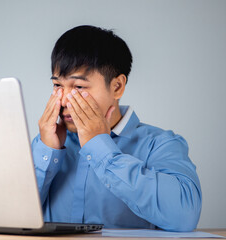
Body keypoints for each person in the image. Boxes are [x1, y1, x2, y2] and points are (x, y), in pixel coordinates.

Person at [31, 25, 202, 232]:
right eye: (58, 85)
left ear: (117, 86)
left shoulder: (160, 144)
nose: (64, 100)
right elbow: (10, 217)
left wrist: (100, 148)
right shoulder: (47, 145)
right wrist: (46, 152)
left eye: (78, 87)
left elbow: (184, 216)